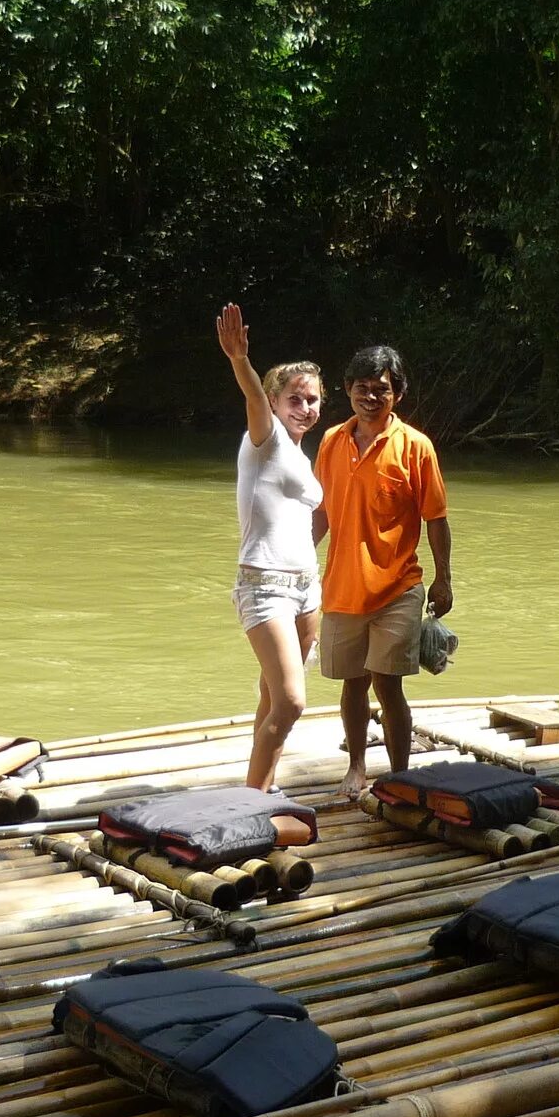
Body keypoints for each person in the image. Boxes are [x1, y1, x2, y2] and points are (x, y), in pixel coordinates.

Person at [313, 344, 453, 799]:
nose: (371, 397)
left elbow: (436, 517)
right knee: (352, 684)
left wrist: (444, 577)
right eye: (362, 389)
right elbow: (320, 512)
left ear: (398, 393)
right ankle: (356, 767)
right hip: (341, 585)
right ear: (348, 391)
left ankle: (398, 775)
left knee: (387, 685)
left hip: (398, 584)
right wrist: (294, 561)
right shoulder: (332, 440)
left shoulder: (416, 447)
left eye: (382, 389)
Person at [217, 303, 325, 791]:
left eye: (314, 400)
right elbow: (254, 400)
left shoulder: (303, 459)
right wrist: (241, 361)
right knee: (291, 703)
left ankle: (262, 784)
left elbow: (306, 521)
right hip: (263, 585)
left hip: (307, 589)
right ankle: (251, 803)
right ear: (278, 403)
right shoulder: (267, 440)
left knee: (270, 696)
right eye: (296, 399)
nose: (306, 408)